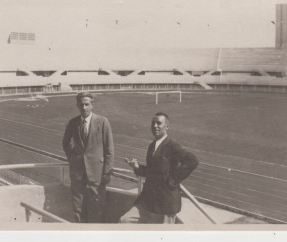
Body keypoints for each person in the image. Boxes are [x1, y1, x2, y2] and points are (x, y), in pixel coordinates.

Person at [120, 112, 199, 223]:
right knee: (124, 220)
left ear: (167, 126)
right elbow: (152, 171)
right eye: (153, 123)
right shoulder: (152, 145)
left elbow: (193, 161)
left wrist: (172, 180)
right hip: (149, 201)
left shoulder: (172, 145)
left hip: (166, 203)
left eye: (159, 123)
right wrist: (137, 167)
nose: (155, 126)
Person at [62, 92, 114, 223]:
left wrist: (107, 172)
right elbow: (65, 143)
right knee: (78, 206)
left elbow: (109, 150)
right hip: (78, 172)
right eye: (81, 105)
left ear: (92, 105)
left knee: (96, 206)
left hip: (97, 173)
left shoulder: (103, 122)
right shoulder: (73, 123)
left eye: (87, 104)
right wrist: (73, 159)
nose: (84, 108)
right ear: (77, 106)